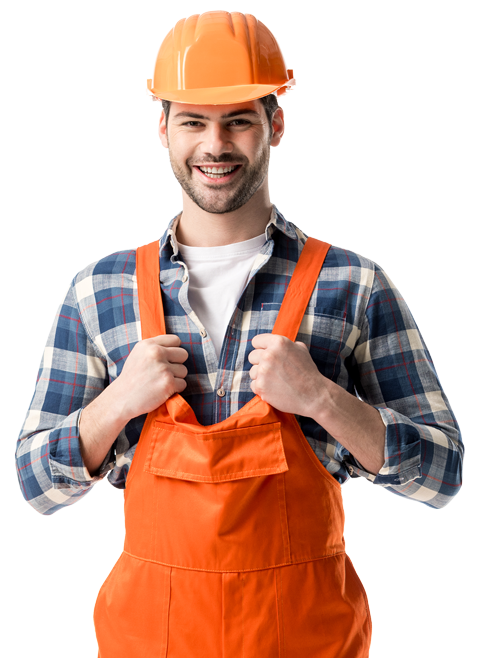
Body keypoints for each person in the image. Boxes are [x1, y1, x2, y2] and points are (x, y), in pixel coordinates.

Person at [16, 10, 463, 658]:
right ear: (164, 127)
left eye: (239, 120)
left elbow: (442, 475)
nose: (215, 144)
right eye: (194, 121)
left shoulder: (353, 284)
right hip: (151, 641)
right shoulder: (101, 291)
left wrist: (320, 399)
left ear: (274, 125)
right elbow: (36, 482)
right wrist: (119, 401)